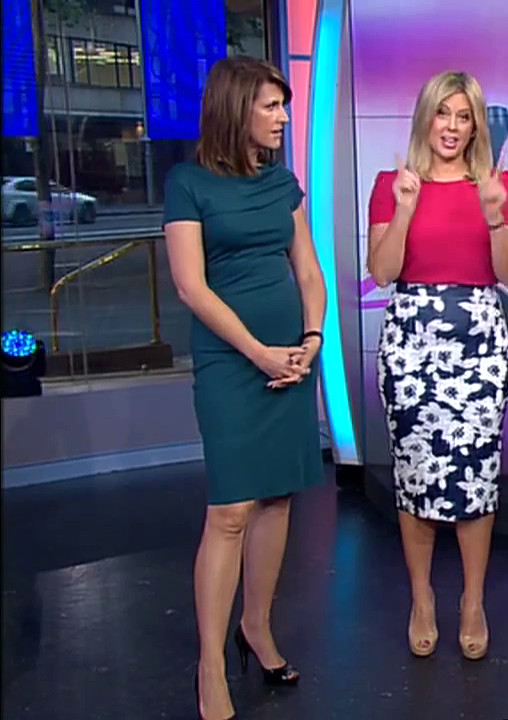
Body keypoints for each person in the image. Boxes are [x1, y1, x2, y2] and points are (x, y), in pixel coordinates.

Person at [163, 56, 327, 719]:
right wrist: (258, 352)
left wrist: (312, 339)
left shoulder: (282, 183)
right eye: (271, 106)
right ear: (237, 110)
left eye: (284, 106)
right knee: (231, 510)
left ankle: (255, 628)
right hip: (233, 362)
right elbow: (190, 287)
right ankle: (210, 665)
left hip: (290, 357)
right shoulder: (188, 183)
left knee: (277, 500)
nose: (283, 117)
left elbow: (308, 270)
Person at [366, 70, 508, 661]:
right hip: (411, 342)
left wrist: (495, 216)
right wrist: (405, 211)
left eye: (464, 117)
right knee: (415, 476)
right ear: (425, 118)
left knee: (475, 476)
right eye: (443, 113)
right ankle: (422, 598)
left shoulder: (498, 187)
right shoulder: (393, 185)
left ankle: (473, 601)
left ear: (476, 126)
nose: (452, 127)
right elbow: (383, 272)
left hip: (478, 342)